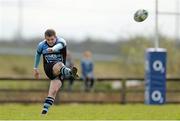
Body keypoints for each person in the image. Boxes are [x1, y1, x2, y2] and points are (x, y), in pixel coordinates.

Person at [33, 29, 78, 115]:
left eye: (52, 39)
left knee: (53, 91)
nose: (50, 41)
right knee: (59, 64)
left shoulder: (61, 41)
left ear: (55, 37)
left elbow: (59, 46)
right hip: (49, 68)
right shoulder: (41, 45)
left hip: (61, 71)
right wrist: (35, 68)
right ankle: (70, 72)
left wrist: (53, 49)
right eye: (48, 40)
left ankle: (44, 112)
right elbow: (38, 55)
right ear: (45, 38)